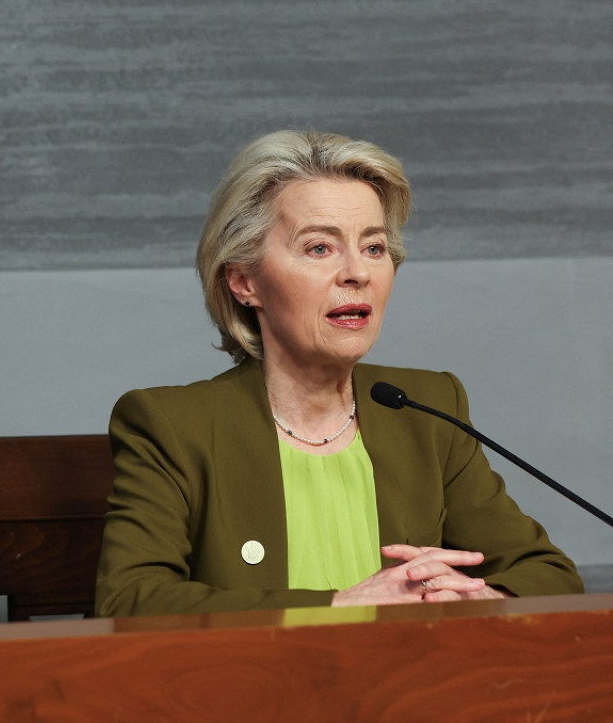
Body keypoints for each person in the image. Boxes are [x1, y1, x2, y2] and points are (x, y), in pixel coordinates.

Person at [95, 129, 583, 615]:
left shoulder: (428, 409)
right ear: (244, 281)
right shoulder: (173, 424)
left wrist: (480, 595)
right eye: (319, 249)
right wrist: (339, 605)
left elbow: (548, 575)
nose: (358, 273)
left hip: (413, 687)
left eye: (373, 248)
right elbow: (130, 602)